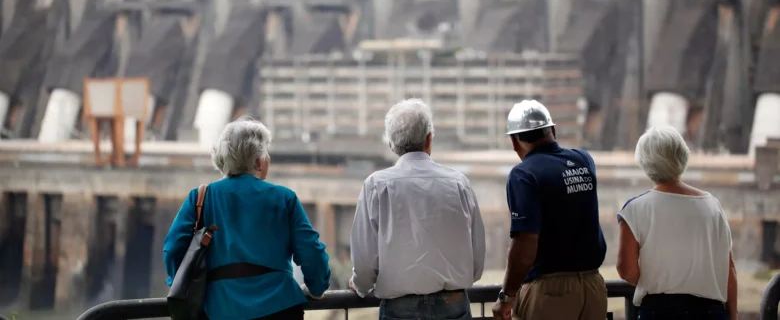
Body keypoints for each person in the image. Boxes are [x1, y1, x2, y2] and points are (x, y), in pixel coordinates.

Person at [163, 116, 331, 320]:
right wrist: (317, 288)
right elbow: (311, 253)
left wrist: (184, 285)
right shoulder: (284, 198)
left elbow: (173, 249)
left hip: (219, 309)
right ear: (259, 162)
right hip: (279, 307)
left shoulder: (201, 198)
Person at [349, 98, 486, 320]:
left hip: (399, 309)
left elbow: (364, 262)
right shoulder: (459, 183)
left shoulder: (376, 185)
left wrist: (361, 286)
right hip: (454, 305)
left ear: (391, 144)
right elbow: (477, 258)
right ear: (429, 139)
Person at [492, 100, 607, 320]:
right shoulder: (584, 160)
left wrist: (507, 297)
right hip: (593, 287)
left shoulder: (524, 175)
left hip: (551, 292)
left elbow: (524, 242)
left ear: (514, 141)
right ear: (552, 130)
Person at [616, 126, 738, 320]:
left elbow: (627, 270)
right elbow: (728, 266)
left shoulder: (635, 209)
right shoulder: (713, 206)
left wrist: (657, 281)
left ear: (645, 163)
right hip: (711, 313)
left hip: (659, 311)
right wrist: (733, 314)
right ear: (682, 155)